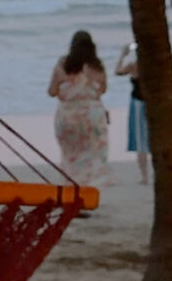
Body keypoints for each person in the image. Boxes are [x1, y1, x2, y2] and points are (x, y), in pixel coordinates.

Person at [48, 30, 111, 187]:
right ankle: (89, 188)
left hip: (68, 114)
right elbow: (102, 90)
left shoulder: (63, 64)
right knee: (93, 155)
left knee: (70, 155)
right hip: (92, 114)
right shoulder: (97, 66)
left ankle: (72, 187)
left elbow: (52, 91)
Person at [115, 42, 150, 185]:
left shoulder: (134, 65)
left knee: (141, 142)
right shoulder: (154, 66)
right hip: (152, 103)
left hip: (138, 104)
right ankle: (147, 174)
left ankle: (144, 176)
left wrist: (122, 55)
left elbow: (117, 71)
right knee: (151, 139)